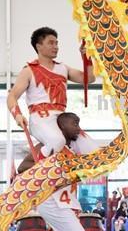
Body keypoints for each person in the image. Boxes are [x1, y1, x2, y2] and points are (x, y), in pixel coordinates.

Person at [16, 112, 114, 231]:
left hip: (66, 202)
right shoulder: (48, 146)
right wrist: (45, 169)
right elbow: (22, 168)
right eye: (74, 123)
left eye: (79, 123)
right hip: (51, 201)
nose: (78, 127)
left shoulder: (73, 150)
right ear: (60, 128)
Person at [7, 27, 95, 161]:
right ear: (39, 46)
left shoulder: (63, 68)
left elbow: (89, 79)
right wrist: (17, 115)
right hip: (40, 118)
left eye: (57, 43)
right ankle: (32, 165)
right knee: (57, 141)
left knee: (91, 149)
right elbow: (12, 96)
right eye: (51, 43)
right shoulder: (28, 70)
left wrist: (87, 58)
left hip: (62, 118)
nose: (56, 46)